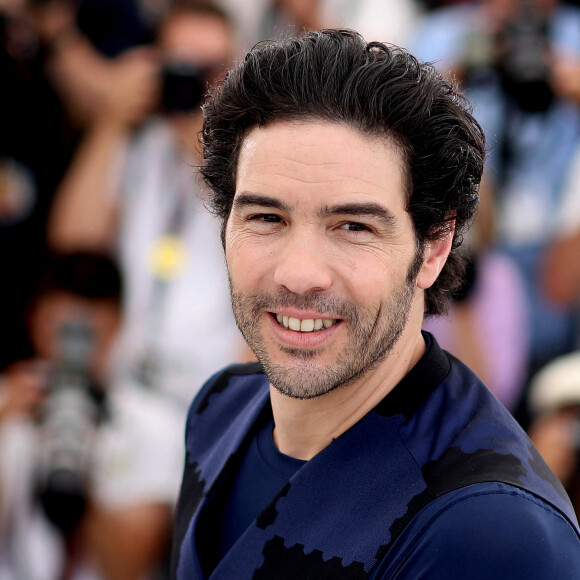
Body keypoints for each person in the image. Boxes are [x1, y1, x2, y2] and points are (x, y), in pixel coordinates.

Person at [170, 29, 580, 579]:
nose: (299, 273)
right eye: (266, 218)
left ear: (432, 248)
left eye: (353, 226)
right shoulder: (217, 409)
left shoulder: (494, 531)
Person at [48, 1, 250, 411]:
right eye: (182, 67)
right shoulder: (138, 143)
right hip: (126, 388)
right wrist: (111, 121)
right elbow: (73, 243)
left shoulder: (251, 157)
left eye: (212, 69)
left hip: (215, 395)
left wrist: (205, 145)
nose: (197, 84)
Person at [0, 251, 183, 580]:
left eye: (88, 330)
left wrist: (75, 474)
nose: (74, 344)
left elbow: (127, 568)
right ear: (34, 320)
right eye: (61, 327)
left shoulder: (156, 426)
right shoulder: (7, 403)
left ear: (117, 324)